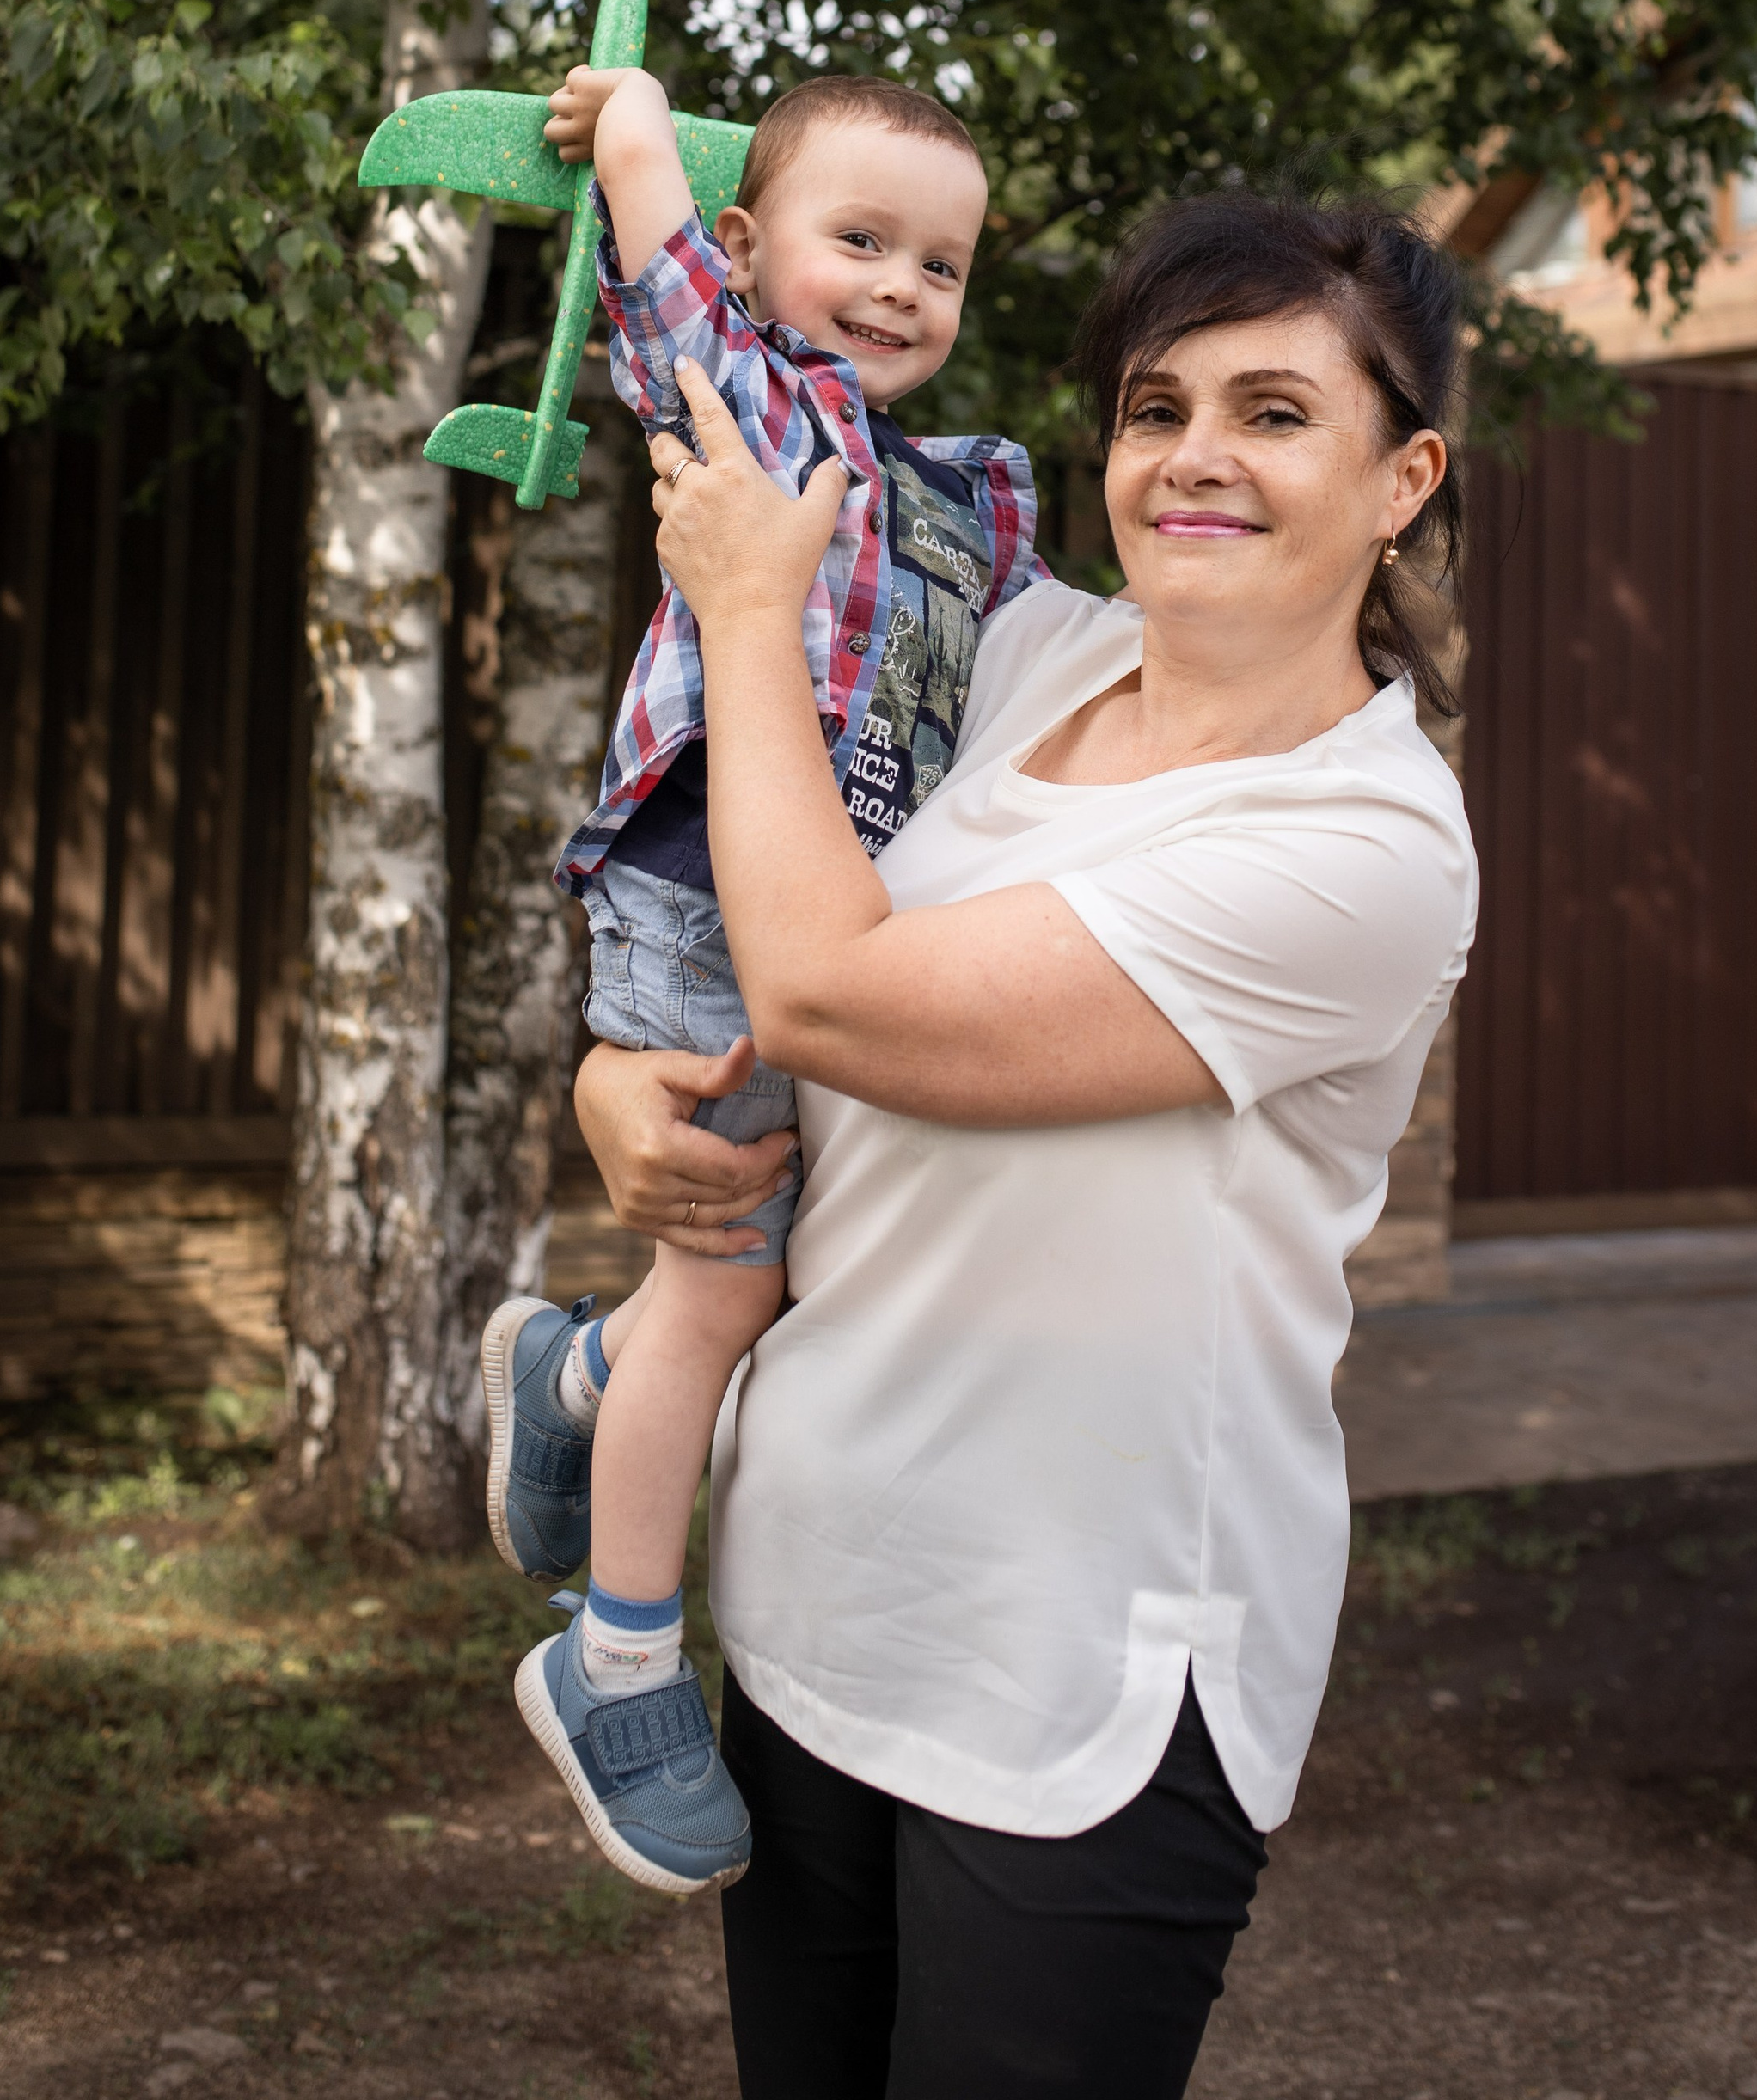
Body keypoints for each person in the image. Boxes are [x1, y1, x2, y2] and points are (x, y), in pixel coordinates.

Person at [569, 188, 1481, 2100]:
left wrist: (744, 607)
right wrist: (615, 1079)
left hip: (1082, 1669)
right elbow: (750, 905)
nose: (1191, 460)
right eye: (1152, 410)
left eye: (1269, 413)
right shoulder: (1024, 653)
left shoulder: (1364, 848)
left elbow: (834, 996)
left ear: (1402, 476)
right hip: (817, 1594)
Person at [481, 60, 1043, 1895]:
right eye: (858, 239)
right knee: (724, 1290)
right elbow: (659, 291)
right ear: (749, 248)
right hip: (696, 893)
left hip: (827, 923)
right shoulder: (754, 408)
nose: (898, 288)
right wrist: (636, 124)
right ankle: (616, 1653)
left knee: (756, 1269)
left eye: (938, 265)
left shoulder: (960, 489)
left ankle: (576, 1380)